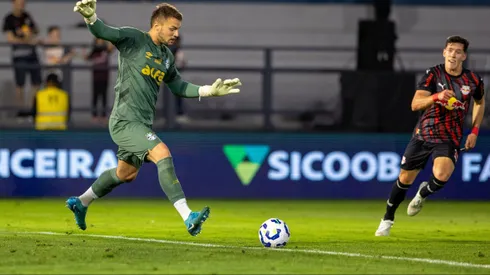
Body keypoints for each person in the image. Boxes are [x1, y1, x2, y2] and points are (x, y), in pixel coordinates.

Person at [67, 0, 242, 236]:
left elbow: (178, 85)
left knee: (125, 174)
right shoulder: (134, 39)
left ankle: (82, 202)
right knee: (162, 152)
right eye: (172, 28)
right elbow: (103, 32)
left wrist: (207, 90)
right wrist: (91, 18)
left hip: (141, 123)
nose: (176, 34)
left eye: (178, 29)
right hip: (124, 121)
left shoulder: (166, 56)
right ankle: (188, 216)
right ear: (157, 25)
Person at [375, 35, 485, 237]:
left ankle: (422, 193)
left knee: (442, 174)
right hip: (424, 134)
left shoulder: (474, 80)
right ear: (444, 52)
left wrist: (475, 130)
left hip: (449, 137)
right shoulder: (433, 75)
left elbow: (479, 101)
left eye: (458, 51)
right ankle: (387, 218)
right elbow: (415, 104)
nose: (453, 54)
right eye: (450, 50)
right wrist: (436, 97)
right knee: (404, 179)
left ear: (464, 56)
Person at [2, 0, 42, 109]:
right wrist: (26, 39)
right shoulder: (9, 19)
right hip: (19, 56)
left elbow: (36, 30)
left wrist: (29, 33)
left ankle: (31, 109)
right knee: (20, 85)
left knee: (36, 83)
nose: (21, 6)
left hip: (32, 55)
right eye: (19, 3)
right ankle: (20, 111)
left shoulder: (27, 16)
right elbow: (11, 39)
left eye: (23, 3)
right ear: (13, 3)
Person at [85, 37, 114, 122]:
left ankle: (104, 115)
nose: (100, 43)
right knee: (95, 96)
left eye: (101, 41)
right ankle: (94, 115)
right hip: (96, 77)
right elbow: (87, 58)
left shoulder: (106, 50)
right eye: (98, 41)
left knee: (104, 96)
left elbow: (112, 47)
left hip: (104, 77)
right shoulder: (94, 51)